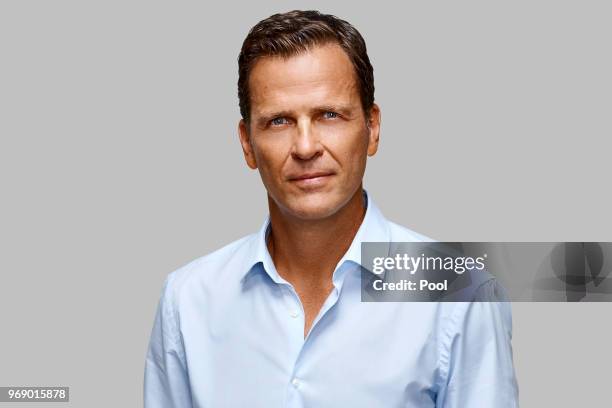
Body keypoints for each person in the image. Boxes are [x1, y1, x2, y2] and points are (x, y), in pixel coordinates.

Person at [144, 10, 518, 407]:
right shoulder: (187, 301)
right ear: (247, 143)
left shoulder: (461, 296)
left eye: (329, 115)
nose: (306, 147)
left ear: (372, 128)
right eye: (279, 121)